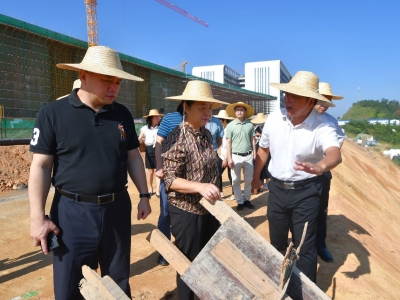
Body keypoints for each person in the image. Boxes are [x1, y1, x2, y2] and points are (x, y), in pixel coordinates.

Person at [28, 45, 152, 299]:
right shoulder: (53, 113)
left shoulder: (122, 114)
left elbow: (133, 156)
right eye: (107, 80)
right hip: (71, 213)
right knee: (69, 287)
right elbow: (40, 166)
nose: (114, 88)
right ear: (83, 76)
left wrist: (144, 194)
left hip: (117, 209)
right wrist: (37, 217)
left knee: (116, 284)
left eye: (117, 82)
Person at [252, 71, 342, 283]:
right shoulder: (274, 119)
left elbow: (335, 154)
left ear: (310, 101)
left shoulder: (324, 124)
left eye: (295, 96)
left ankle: (306, 292)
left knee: (304, 247)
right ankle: (279, 284)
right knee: (276, 242)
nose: (288, 99)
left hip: (307, 192)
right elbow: (263, 149)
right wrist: (255, 177)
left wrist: (320, 166)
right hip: (277, 191)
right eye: (286, 94)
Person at [162, 80, 228, 299]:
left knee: (207, 260)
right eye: (202, 107)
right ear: (186, 107)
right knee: (188, 265)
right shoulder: (176, 136)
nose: (207, 112)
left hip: (209, 210)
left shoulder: (207, 135)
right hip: (186, 211)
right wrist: (199, 186)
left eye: (209, 108)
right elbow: (169, 179)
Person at [314, 82, 345, 263]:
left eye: (329, 100)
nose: (325, 103)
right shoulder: (302, 117)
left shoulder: (331, 121)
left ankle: (320, 244)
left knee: (321, 209)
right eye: (321, 99)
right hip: (302, 172)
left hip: (323, 172)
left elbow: (340, 138)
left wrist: (328, 158)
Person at [154, 103, 184, 266]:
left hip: (191, 178)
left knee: (187, 214)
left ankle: (185, 249)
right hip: (169, 174)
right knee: (166, 213)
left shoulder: (202, 118)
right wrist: (159, 166)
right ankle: (164, 252)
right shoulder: (170, 118)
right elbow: (159, 142)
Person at [225, 101, 256, 211]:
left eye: (241, 110)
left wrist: (254, 153)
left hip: (248, 155)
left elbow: (253, 139)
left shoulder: (250, 125)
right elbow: (228, 142)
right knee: (236, 180)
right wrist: (229, 158)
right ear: (234, 112)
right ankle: (240, 201)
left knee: (248, 179)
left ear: (245, 112)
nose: (239, 111)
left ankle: (247, 199)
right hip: (235, 156)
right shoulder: (230, 125)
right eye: (237, 110)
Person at [138, 109, 164, 197]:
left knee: (158, 170)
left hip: (159, 149)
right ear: (151, 118)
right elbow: (140, 138)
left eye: (159, 117)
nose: (158, 118)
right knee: (150, 171)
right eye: (156, 117)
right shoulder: (144, 128)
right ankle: (150, 189)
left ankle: (158, 190)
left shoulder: (161, 128)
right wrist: (135, 145)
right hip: (149, 150)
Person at [214, 110, 234, 199]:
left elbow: (229, 145)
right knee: (217, 174)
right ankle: (221, 191)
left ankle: (233, 193)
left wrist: (226, 158)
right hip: (222, 156)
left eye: (220, 120)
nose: (219, 122)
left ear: (225, 121)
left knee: (231, 175)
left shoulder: (228, 130)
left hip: (228, 156)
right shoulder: (222, 129)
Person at [251, 113, 271, 192]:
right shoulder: (255, 128)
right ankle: (260, 183)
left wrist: (261, 135)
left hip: (267, 148)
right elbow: (253, 140)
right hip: (258, 147)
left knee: (268, 165)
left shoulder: (268, 128)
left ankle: (268, 183)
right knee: (260, 167)